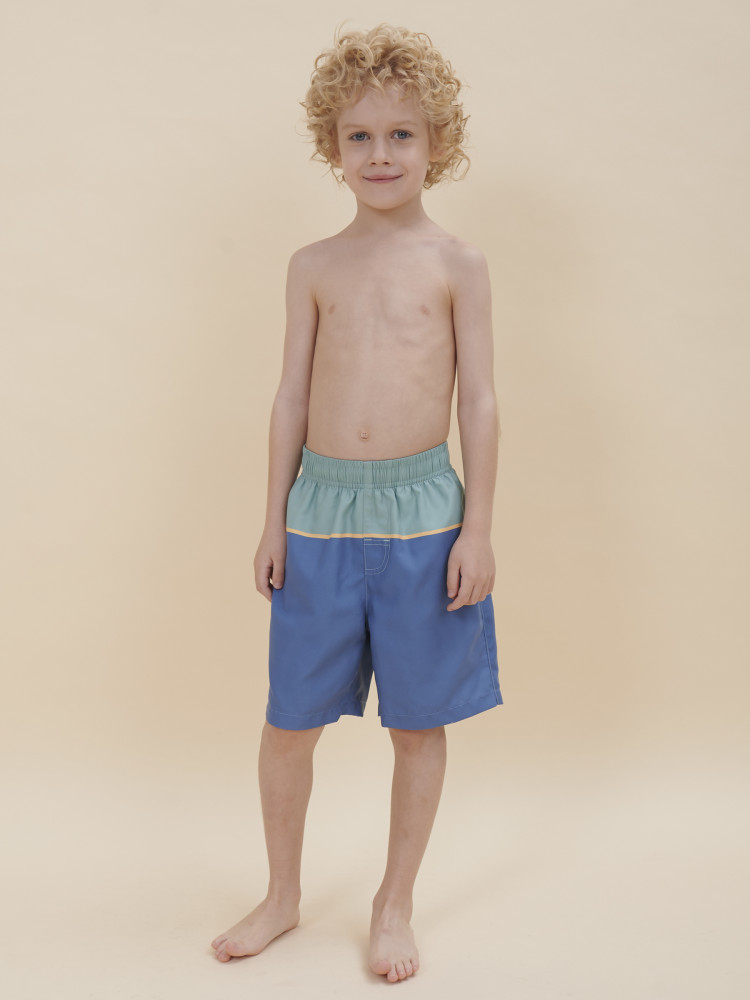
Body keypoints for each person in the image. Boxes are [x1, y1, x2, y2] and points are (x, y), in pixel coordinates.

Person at [210, 22, 503, 983]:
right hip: (320, 515)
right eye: (360, 136)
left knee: (418, 722)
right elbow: (290, 398)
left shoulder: (458, 263)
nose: (380, 154)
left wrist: (478, 529)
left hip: (426, 518)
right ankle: (282, 893)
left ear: (437, 142)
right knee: (288, 718)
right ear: (332, 146)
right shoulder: (313, 266)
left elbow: (479, 401)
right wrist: (271, 519)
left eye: (401, 134)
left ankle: (393, 903)